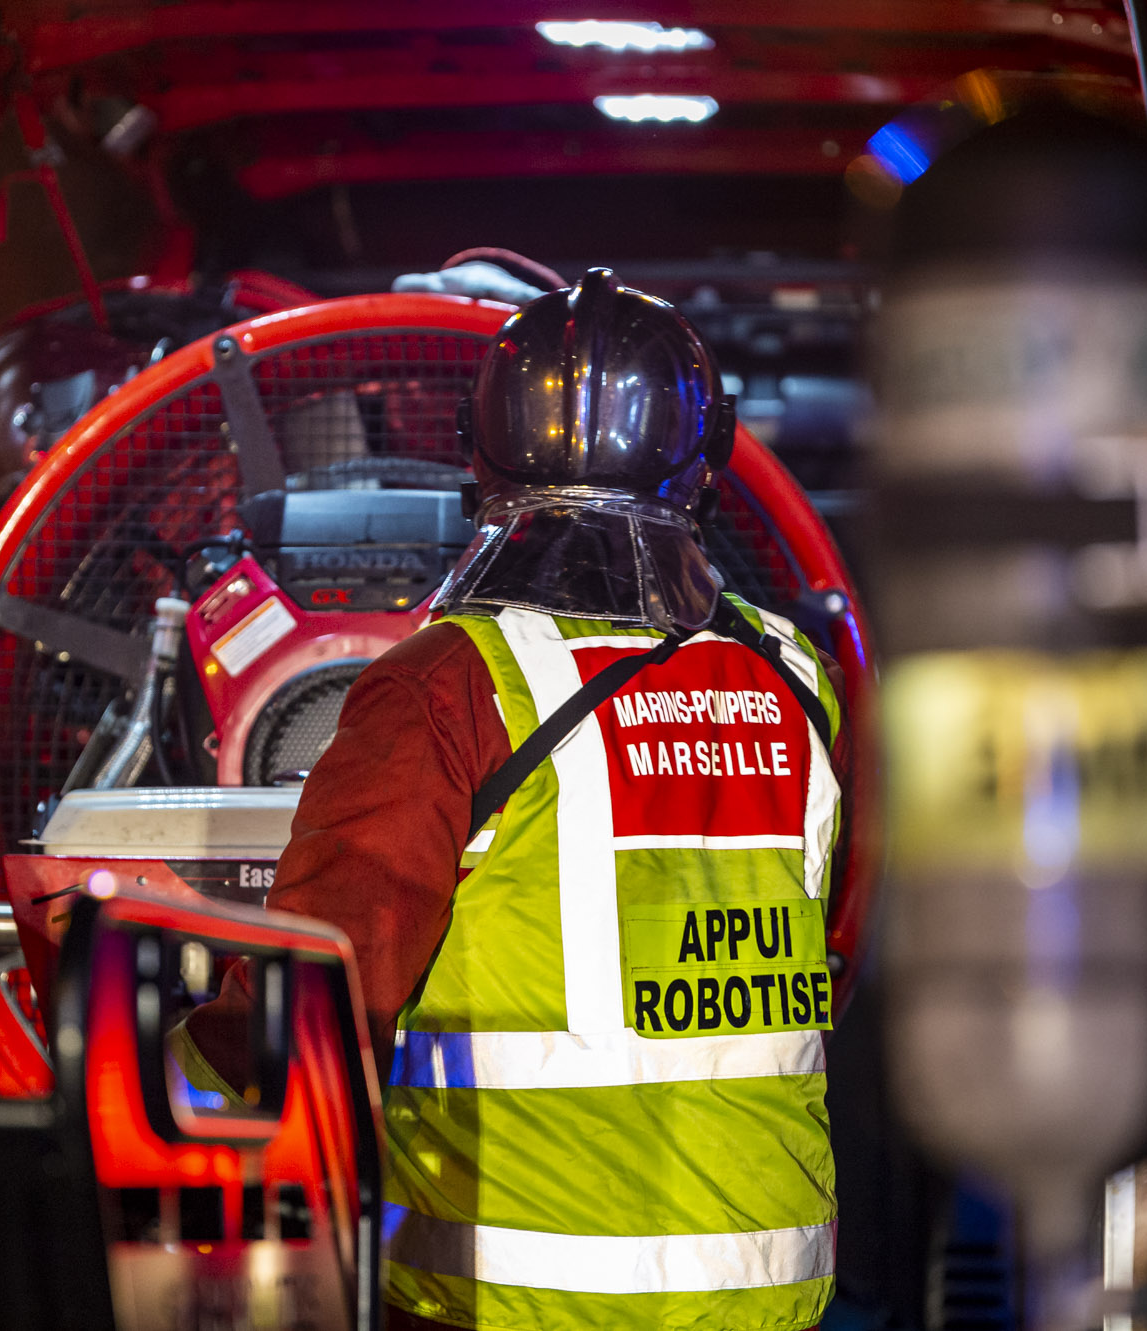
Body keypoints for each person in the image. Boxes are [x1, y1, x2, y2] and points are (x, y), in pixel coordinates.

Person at [177, 268, 851, 1331]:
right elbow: (829, 959)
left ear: (473, 452)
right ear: (707, 458)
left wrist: (152, 1082)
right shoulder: (799, 680)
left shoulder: (445, 682)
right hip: (768, 1292)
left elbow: (317, 993)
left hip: (511, 1299)